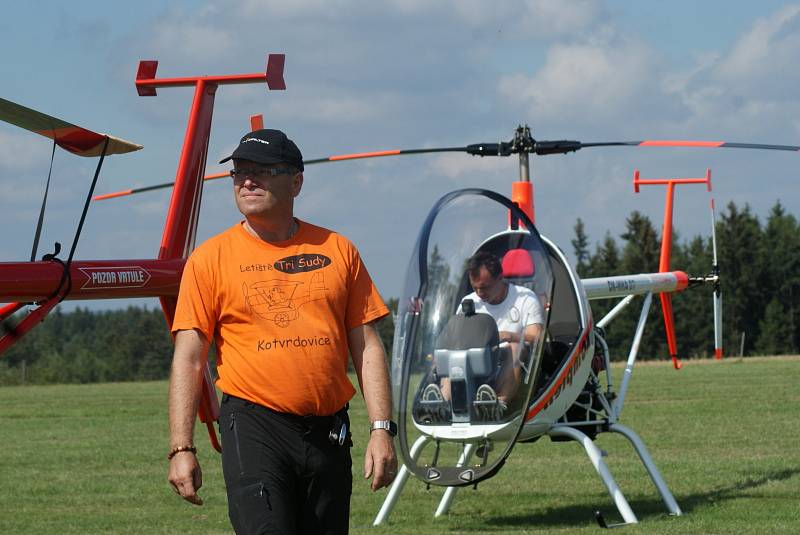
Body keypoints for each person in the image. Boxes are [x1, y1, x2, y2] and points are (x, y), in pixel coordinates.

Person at [166, 129, 398, 535]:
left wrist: (381, 429)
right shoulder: (209, 260)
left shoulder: (338, 250)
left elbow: (367, 346)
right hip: (255, 424)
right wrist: (181, 447)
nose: (247, 181)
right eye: (240, 172)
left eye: (262, 171)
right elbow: (189, 357)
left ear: (296, 182)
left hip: (328, 428)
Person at [436, 251, 544, 407]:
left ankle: (499, 404)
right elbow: (456, 337)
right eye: (475, 288)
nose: (480, 294)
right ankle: (443, 403)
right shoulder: (469, 302)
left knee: (514, 348)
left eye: (485, 287)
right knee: (453, 353)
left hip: (510, 360)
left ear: (500, 278)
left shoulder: (525, 298)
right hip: (478, 360)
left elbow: (537, 336)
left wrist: (508, 335)